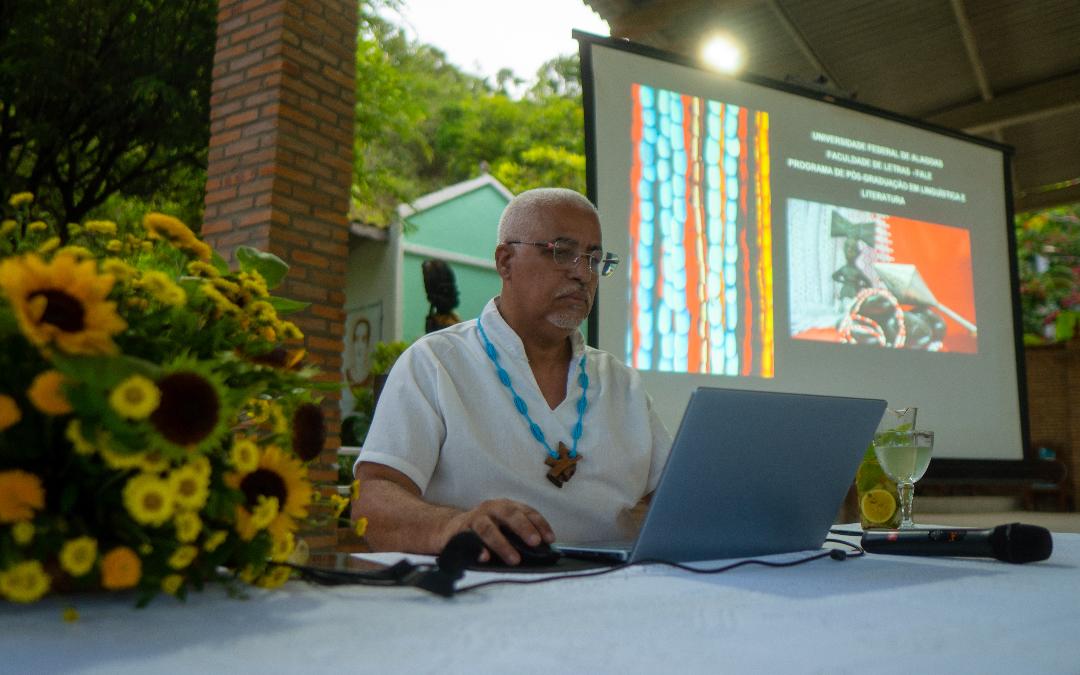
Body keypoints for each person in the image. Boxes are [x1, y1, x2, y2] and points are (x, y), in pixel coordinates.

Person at [353, 188, 671, 565]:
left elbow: (676, 499)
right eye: (562, 252)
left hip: (615, 586)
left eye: (594, 258)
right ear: (505, 262)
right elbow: (372, 497)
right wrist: (451, 526)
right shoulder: (437, 362)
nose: (583, 273)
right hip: (485, 581)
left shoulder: (622, 384)